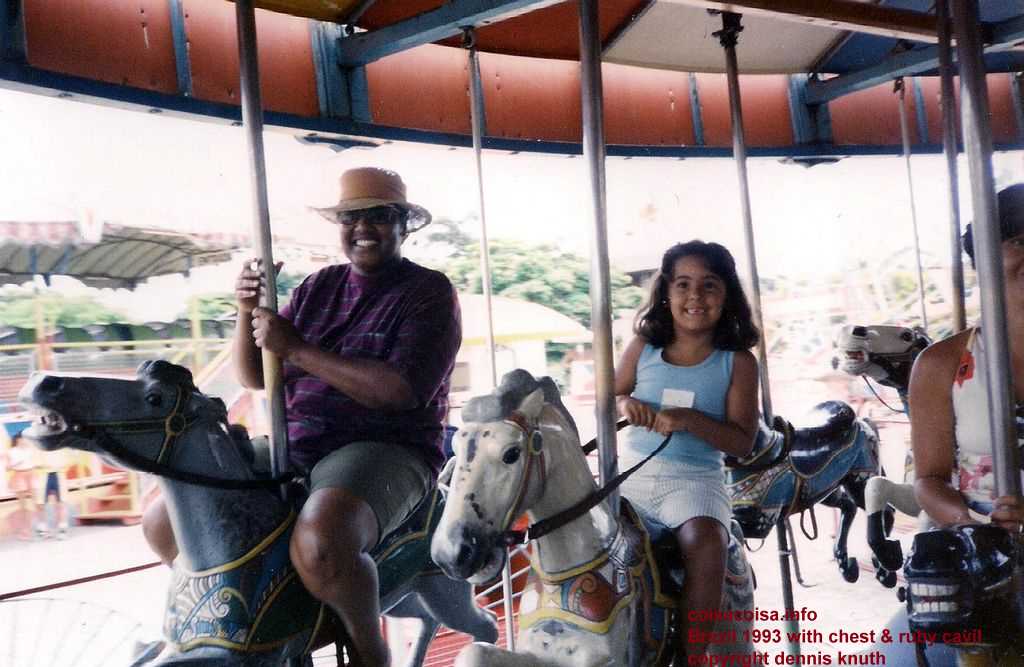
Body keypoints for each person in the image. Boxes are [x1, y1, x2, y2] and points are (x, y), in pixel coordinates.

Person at [142, 167, 462, 667]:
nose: (362, 228)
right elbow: (257, 375)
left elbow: (399, 392)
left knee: (322, 539)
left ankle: (369, 649)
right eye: (351, 218)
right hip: (297, 439)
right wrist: (246, 310)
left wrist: (297, 349)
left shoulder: (428, 292)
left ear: (403, 224)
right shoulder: (318, 287)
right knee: (163, 519)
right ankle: (242, 613)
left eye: (378, 216)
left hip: (386, 445)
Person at [614, 240, 759, 662]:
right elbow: (610, 398)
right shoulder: (643, 348)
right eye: (683, 284)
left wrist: (691, 420)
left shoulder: (737, 362)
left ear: (727, 294)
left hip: (694, 482)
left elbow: (743, 442)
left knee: (706, 541)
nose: (695, 296)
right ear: (666, 292)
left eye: (709, 285)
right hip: (634, 473)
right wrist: (626, 404)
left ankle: (691, 655)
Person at [910, 183, 1024, 535]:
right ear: (983, 259)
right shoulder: (941, 364)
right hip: (981, 538)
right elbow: (929, 479)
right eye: (1019, 242)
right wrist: (972, 526)